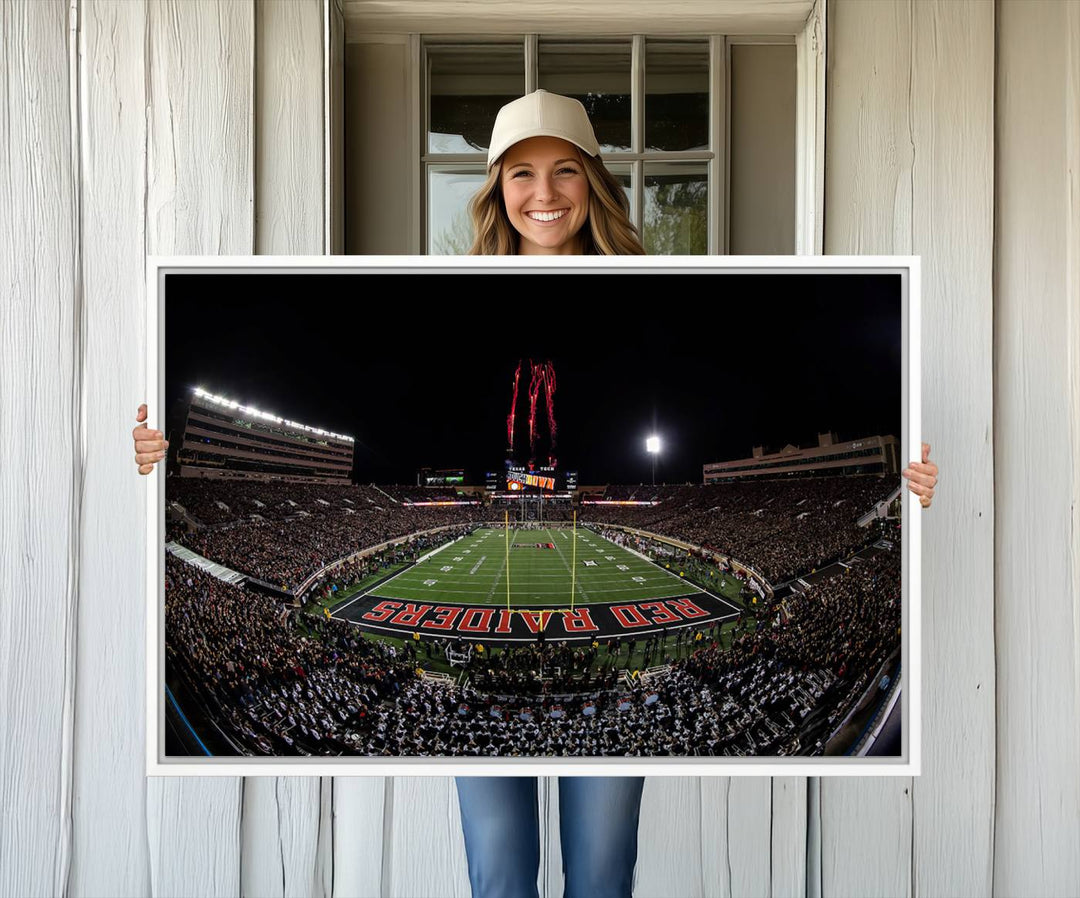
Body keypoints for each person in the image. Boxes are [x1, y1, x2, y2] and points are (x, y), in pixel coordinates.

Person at [131, 89, 940, 898]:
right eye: (521, 173)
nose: (544, 194)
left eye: (564, 171)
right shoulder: (452, 279)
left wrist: (898, 484)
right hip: (496, 735)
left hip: (599, 736)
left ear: (594, 180)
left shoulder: (651, 278)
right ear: (495, 188)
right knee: (501, 874)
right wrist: (162, 461)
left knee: (599, 873)